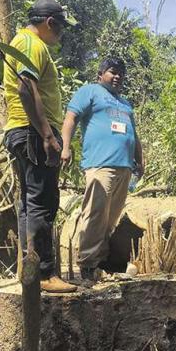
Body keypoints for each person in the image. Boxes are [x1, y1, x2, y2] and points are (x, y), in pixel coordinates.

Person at [3, 0, 77, 293]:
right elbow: (25, 87)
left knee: (30, 202)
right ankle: (45, 273)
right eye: (60, 28)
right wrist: (47, 135)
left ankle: (30, 269)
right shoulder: (32, 44)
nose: (60, 34)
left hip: (23, 131)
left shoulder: (20, 42)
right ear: (50, 23)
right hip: (33, 133)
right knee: (42, 201)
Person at [61, 58, 144, 282]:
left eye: (121, 74)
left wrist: (140, 160)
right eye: (112, 72)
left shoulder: (125, 104)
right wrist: (65, 147)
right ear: (101, 74)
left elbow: (133, 135)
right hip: (100, 165)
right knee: (95, 213)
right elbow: (71, 118)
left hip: (124, 166)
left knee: (111, 217)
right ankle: (87, 264)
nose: (117, 77)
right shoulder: (90, 91)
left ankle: (102, 262)